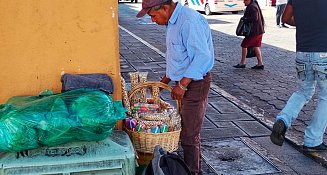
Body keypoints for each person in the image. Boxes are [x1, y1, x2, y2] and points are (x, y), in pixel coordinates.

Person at [136, 0, 214, 174]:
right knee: (183, 127)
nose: (152, 20)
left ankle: (193, 171)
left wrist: (182, 85)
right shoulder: (172, 22)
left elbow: (202, 57)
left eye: (153, 16)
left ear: (165, 8)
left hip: (196, 82)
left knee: (189, 133)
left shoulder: (188, 21)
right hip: (184, 81)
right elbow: (177, 60)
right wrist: (163, 84)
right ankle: (185, 166)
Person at [270, 0, 327, 152]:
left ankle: (283, 119)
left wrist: (303, 23)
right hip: (323, 53)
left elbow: (285, 18)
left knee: (303, 91)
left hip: (302, 53)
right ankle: (312, 140)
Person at [233, 0, 265, 70]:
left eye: (244, 1)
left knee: (244, 45)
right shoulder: (254, 5)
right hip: (259, 31)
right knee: (256, 46)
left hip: (254, 32)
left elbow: (255, 18)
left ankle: (242, 63)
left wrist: (245, 19)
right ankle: (260, 63)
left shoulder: (252, 7)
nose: (243, 2)